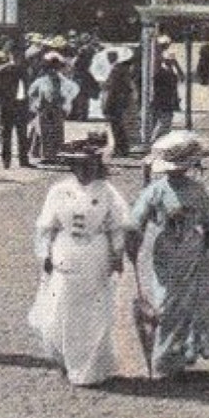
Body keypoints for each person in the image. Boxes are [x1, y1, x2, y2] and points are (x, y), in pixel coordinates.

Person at [127, 131, 209, 378]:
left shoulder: (197, 191)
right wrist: (134, 239)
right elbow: (137, 219)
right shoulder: (156, 191)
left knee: (200, 298)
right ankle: (163, 359)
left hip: (192, 252)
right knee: (169, 304)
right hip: (167, 252)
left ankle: (182, 352)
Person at [27, 147, 128, 385]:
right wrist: (45, 254)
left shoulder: (107, 192)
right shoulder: (59, 191)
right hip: (66, 252)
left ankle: (89, 366)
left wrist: (117, 253)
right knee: (61, 307)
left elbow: (117, 225)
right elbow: (45, 226)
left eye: (90, 165)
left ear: (97, 165)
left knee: (92, 312)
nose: (84, 171)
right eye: (79, 165)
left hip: (95, 255)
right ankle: (64, 355)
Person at [28, 53, 69, 166]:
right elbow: (32, 93)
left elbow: (32, 92)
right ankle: (46, 154)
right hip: (46, 108)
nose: (53, 70)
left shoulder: (55, 80)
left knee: (49, 131)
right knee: (45, 131)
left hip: (52, 108)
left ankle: (51, 154)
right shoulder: (46, 80)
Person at [0, 47, 32, 169]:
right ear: (10, 56)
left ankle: (24, 160)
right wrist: (4, 103)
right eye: (15, 56)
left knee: (23, 135)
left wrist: (28, 104)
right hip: (8, 107)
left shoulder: (25, 70)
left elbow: (28, 88)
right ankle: (6, 161)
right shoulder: (3, 70)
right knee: (6, 135)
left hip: (22, 106)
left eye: (19, 57)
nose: (17, 59)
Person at [101, 51, 134, 158]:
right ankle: (122, 148)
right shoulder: (124, 71)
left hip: (114, 102)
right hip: (121, 102)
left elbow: (111, 89)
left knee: (116, 127)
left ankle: (119, 149)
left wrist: (106, 104)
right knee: (119, 126)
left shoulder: (116, 70)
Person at [150, 40, 182, 143]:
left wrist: (175, 64)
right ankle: (154, 141)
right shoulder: (160, 71)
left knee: (163, 124)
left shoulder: (170, 72)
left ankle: (155, 141)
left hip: (166, 100)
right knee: (161, 123)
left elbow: (182, 77)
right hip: (161, 100)